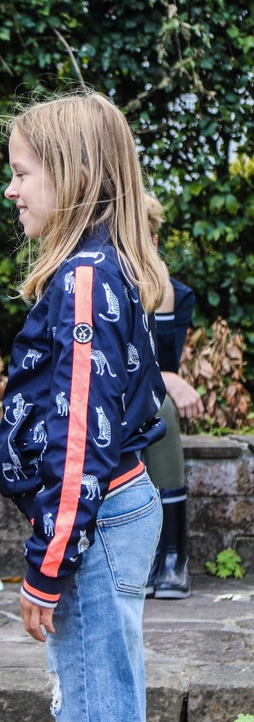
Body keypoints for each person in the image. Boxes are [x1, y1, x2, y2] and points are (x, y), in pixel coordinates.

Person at [0, 91, 168, 722]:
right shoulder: (98, 268)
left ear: (77, 177)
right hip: (107, 516)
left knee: (97, 718)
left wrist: (47, 566)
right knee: (104, 704)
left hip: (92, 528)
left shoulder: (84, 281)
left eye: (21, 172)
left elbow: (79, 440)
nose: (11, 190)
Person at [144, 194, 203, 599]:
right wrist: (166, 377)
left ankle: (171, 557)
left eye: (147, 236)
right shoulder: (100, 281)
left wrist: (160, 298)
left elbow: (163, 364)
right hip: (103, 397)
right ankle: (153, 554)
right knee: (161, 402)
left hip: (145, 401)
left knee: (161, 408)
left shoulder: (177, 296)